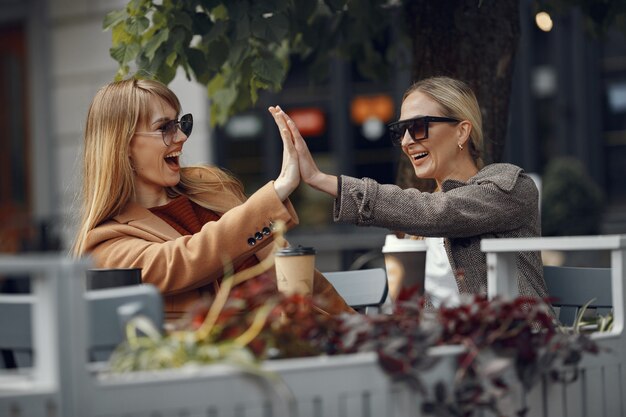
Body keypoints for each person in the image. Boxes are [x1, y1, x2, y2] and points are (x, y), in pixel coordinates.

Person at [72, 78, 353, 321]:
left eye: (180, 124)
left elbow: (305, 279)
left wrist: (357, 328)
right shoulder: (106, 244)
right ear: (123, 146)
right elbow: (185, 259)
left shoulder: (212, 188)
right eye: (165, 127)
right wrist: (278, 191)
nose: (181, 137)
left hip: (297, 347)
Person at [272, 76, 549, 306]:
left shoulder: (511, 187)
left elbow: (440, 213)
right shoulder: (416, 227)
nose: (406, 141)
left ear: (462, 132)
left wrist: (320, 179)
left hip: (511, 350)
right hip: (438, 356)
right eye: (401, 130)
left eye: (417, 127)